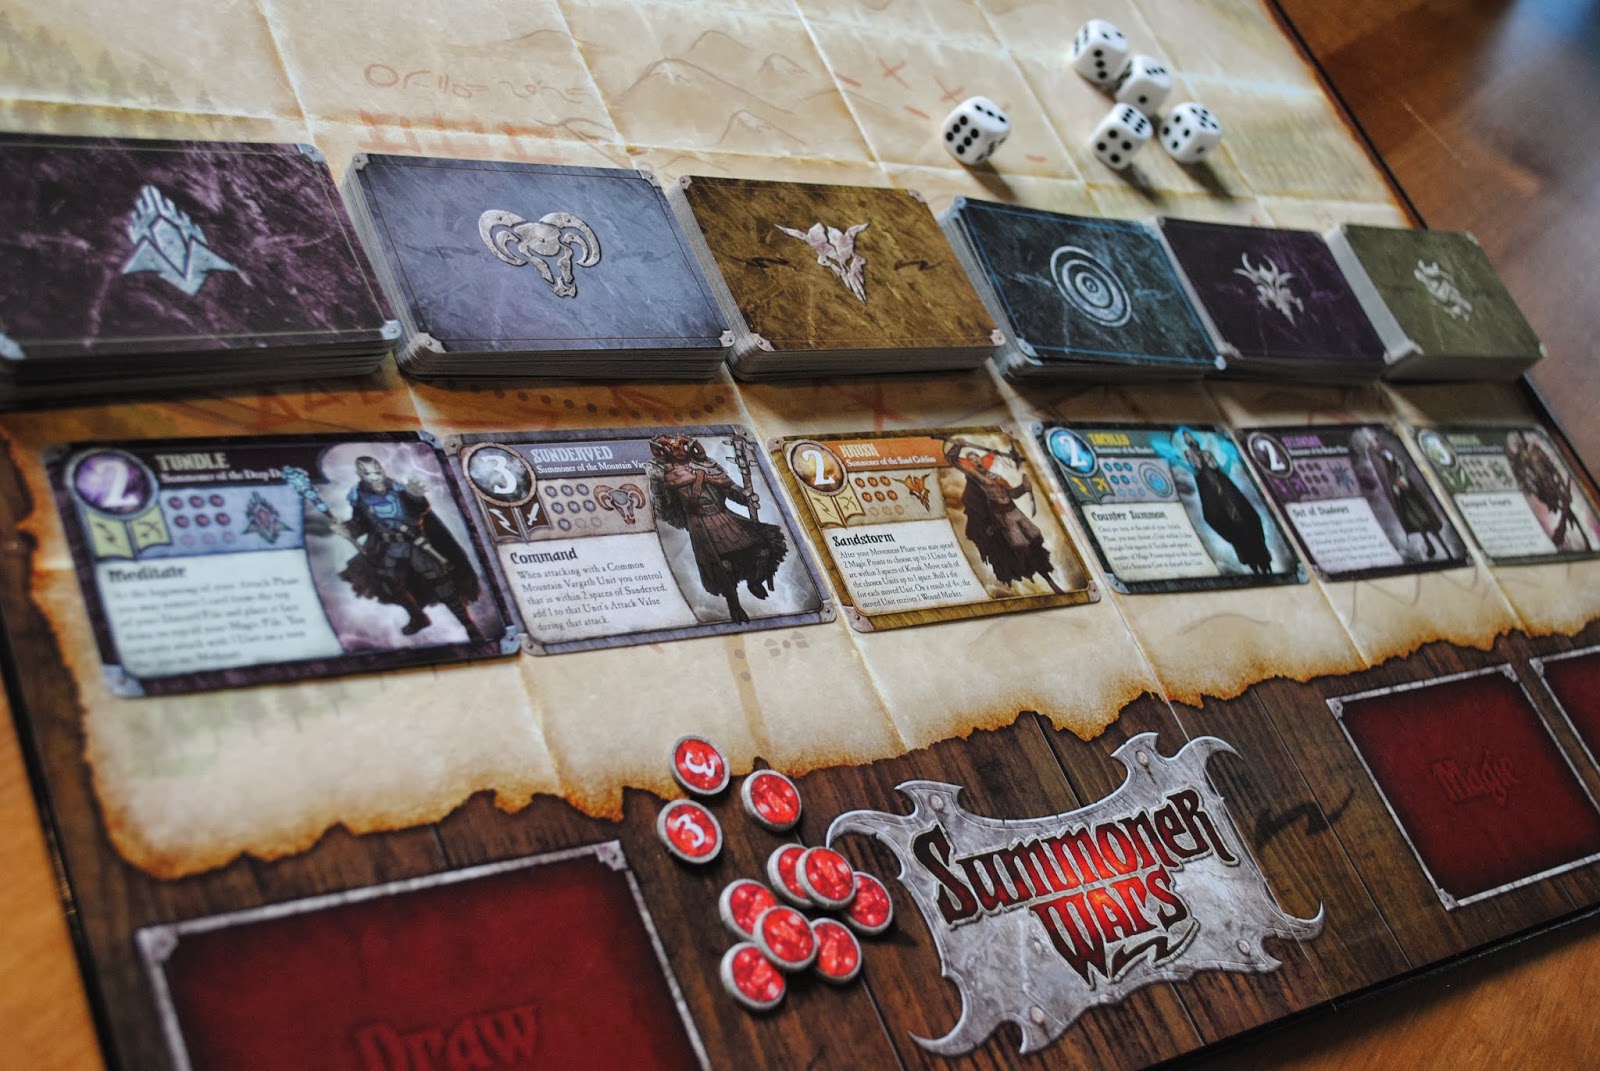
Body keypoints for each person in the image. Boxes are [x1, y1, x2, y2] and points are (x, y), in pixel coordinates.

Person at [334, 456, 485, 642]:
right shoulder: (360, 498)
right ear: (359, 474)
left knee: (441, 582)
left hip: (415, 544)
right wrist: (348, 529)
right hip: (389, 548)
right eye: (367, 473)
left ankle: (468, 624)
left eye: (377, 472)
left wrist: (416, 497)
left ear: (382, 470)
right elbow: (361, 524)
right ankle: (418, 617)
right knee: (389, 584)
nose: (374, 477)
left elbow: (418, 510)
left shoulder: (399, 490)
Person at [646, 435, 786, 624]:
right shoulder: (663, 475)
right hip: (701, 525)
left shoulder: (706, 465)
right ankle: (734, 605)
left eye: (681, 445)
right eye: (672, 447)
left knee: (765, 549)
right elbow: (663, 506)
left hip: (725, 516)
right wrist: (658, 482)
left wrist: (745, 497)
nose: (678, 450)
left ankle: (755, 580)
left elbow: (729, 488)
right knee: (723, 566)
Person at [940, 435, 1065, 594]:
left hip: (1015, 512)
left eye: (977, 458)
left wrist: (1024, 487)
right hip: (1003, 518)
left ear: (981, 460)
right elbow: (952, 459)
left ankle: (1048, 578)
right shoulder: (976, 477)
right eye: (972, 460)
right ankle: (1041, 579)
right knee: (1022, 547)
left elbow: (1012, 494)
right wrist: (958, 446)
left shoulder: (997, 478)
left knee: (1034, 539)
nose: (975, 461)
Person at [1181, 430, 1272, 574]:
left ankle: (1264, 564)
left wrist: (1206, 460)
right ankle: (1254, 566)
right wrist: (1196, 460)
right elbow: (1195, 467)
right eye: (1188, 441)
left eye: (1192, 440)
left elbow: (1215, 466)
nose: (1191, 443)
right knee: (1231, 527)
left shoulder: (1206, 454)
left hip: (1224, 488)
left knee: (1249, 522)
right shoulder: (1189, 455)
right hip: (1211, 491)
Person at [1376, 446, 1448, 559]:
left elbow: (1401, 472)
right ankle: (1429, 545)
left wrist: (1401, 483)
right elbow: (1388, 480)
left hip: (1410, 495)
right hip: (1402, 498)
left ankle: (1443, 548)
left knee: (1426, 520)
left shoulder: (1394, 460)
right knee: (1416, 522)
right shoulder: (1383, 464)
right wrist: (1396, 487)